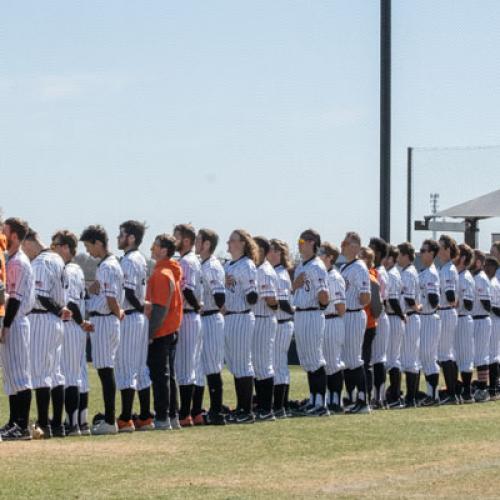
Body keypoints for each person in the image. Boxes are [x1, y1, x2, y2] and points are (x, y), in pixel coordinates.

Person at [23, 228, 70, 438]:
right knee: (55, 373)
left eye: (24, 246)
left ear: (30, 241)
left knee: (41, 374)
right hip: (55, 321)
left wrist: (59, 310)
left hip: (42, 317)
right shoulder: (57, 259)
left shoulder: (41, 262)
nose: (24, 252)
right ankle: (57, 424)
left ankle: (44, 424)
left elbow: (41, 296)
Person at [80, 225, 124, 435]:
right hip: (105, 319)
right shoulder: (108, 264)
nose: (89, 251)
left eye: (89, 246)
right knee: (105, 369)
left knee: (106, 370)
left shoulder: (107, 266)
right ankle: (109, 418)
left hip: (106, 320)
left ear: (99, 243)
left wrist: (117, 313)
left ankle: (109, 419)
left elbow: (111, 298)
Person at [51, 230, 94, 436]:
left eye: (56, 244)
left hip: (70, 324)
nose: (53, 247)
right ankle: (81, 422)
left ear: (66, 248)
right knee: (78, 376)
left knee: (68, 376)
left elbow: (71, 302)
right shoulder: (77, 269)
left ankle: (72, 424)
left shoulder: (67, 269)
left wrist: (80, 322)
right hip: (77, 327)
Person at [144, 233, 183, 430]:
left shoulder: (161, 274)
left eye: (155, 245)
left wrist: (149, 334)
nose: (152, 248)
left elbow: (159, 308)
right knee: (169, 375)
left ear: (164, 250)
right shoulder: (170, 271)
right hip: (171, 329)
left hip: (161, 331)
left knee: (160, 377)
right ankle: (172, 415)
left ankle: (162, 417)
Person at [115, 220, 151, 432]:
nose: (119, 238)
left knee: (126, 368)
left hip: (130, 315)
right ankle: (145, 416)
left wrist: (138, 308)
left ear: (131, 238)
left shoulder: (129, 260)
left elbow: (128, 292)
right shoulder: (139, 258)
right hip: (139, 318)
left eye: (122, 234)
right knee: (140, 368)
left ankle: (126, 417)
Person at [0, 217, 34, 440]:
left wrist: (6, 325)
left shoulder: (18, 262)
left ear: (13, 235)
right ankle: (13, 422)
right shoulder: (10, 260)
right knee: (12, 376)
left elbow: (15, 299)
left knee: (21, 375)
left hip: (17, 321)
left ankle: (22, 425)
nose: (2, 232)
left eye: (5, 229)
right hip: (12, 321)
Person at [292, 229, 330, 416]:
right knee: (307, 360)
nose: (299, 244)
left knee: (315, 359)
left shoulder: (317, 266)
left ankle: (321, 403)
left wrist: (318, 307)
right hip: (300, 313)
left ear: (312, 242)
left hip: (312, 313)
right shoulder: (301, 266)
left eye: (302, 240)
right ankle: (313, 399)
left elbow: (324, 297)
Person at [224, 229, 258, 424]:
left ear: (242, 244)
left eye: (232, 240)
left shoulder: (247, 265)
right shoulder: (229, 264)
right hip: (230, 316)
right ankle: (241, 407)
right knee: (236, 365)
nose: (228, 243)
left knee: (243, 364)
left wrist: (242, 284)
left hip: (242, 316)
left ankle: (247, 410)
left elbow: (252, 297)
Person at [195, 228, 226, 425]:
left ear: (207, 244)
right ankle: (200, 409)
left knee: (213, 366)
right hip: (204, 317)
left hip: (212, 317)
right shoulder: (202, 264)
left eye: (199, 240)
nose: (196, 243)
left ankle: (217, 411)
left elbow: (220, 297)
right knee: (201, 365)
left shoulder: (212, 266)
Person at [174, 224, 204, 427]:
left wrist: (196, 305)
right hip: (191, 316)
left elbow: (187, 290)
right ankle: (187, 412)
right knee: (189, 367)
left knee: (185, 367)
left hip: (188, 315)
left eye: (176, 236)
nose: (173, 239)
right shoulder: (193, 260)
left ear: (185, 240)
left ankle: (184, 413)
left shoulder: (186, 261)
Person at [340, 232, 371, 414]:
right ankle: (352, 399)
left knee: (354, 359)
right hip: (346, 315)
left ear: (356, 247)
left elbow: (366, 297)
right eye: (343, 242)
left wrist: (354, 301)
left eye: (347, 243)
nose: (343, 245)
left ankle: (363, 400)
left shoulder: (359, 267)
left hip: (354, 313)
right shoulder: (345, 266)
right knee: (347, 360)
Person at [252, 236, 279, 421]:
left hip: (264, 318)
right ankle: (261, 405)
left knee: (263, 365)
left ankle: (266, 408)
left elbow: (273, 302)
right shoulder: (257, 268)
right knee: (256, 365)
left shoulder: (265, 271)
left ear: (262, 249)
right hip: (257, 319)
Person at [267, 239, 294, 418]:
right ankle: (281, 405)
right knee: (279, 365)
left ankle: (279, 405)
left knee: (278, 365)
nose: (267, 253)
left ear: (278, 253)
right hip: (282, 322)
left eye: (271, 250)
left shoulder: (280, 273)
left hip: (282, 322)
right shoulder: (277, 272)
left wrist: (271, 303)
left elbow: (283, 303)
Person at [397, 242, 421, 408]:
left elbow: (409, 298)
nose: (397, 257)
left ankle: (411, 398)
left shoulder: (407, 273)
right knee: (409, 358)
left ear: (406, 255)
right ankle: (410, 397)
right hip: (410, 317)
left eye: (399, 254)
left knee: (410, 359)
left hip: (411, 317)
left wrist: (415, 307)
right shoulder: (408, 271)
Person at [418, 239, 441, 406]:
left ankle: (433, 395)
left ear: (432, 253)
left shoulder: (431, 273)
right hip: (424, 317)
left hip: (429, 316)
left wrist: (422, 301)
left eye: (424, 250)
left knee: (429, 357)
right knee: (425, 357)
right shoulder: (425, 271)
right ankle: (430, 394)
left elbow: (434, 300)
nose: (421, 252)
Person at [437, 235, 459, 405]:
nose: (438, 250)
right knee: (446, 353)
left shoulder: (448, 270)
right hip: (446, 311)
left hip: (446, 310)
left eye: (440, 247)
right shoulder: (446, 268)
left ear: (447, 250)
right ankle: (452, 392)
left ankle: (452, 393)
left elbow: (451, 296)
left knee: (445, 354)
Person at [368, 237, 390, 409]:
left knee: (379, 358)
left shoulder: (380, 272)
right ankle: (376, 396)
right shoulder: (375, 270)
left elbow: (382, 300)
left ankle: (379, 397)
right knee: (375, 358)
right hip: (377, 315)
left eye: (372, 248)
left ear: (379, 253)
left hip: (380, 314)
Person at [358, 247, 380, 409]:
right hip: (363, 324)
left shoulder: (370, 276)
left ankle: (367, 395)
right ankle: (359, 395)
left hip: (368, 324)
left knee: (365, 362)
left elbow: (377, 307)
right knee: (360, 361)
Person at [384, 245, 406, 409]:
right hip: (393, 318)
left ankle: (395, 396)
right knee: (393, 359)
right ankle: (394, 394)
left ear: (391, 259)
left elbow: (392, 300)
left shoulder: (391, 274)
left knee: (392, 360)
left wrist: (401, 315)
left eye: (385, 257)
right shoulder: (393, 273)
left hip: (393, 318)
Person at [484, 257, 500, 399]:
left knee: (493, 355)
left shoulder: (494, 283)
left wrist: (486, 306)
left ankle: (494, 388)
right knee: (490, 355)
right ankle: (492, 387)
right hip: (491, 320)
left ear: (495, 268)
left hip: (495, 321)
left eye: (489, 265)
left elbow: (497, 309)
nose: (486, 268)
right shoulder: (490, 282)